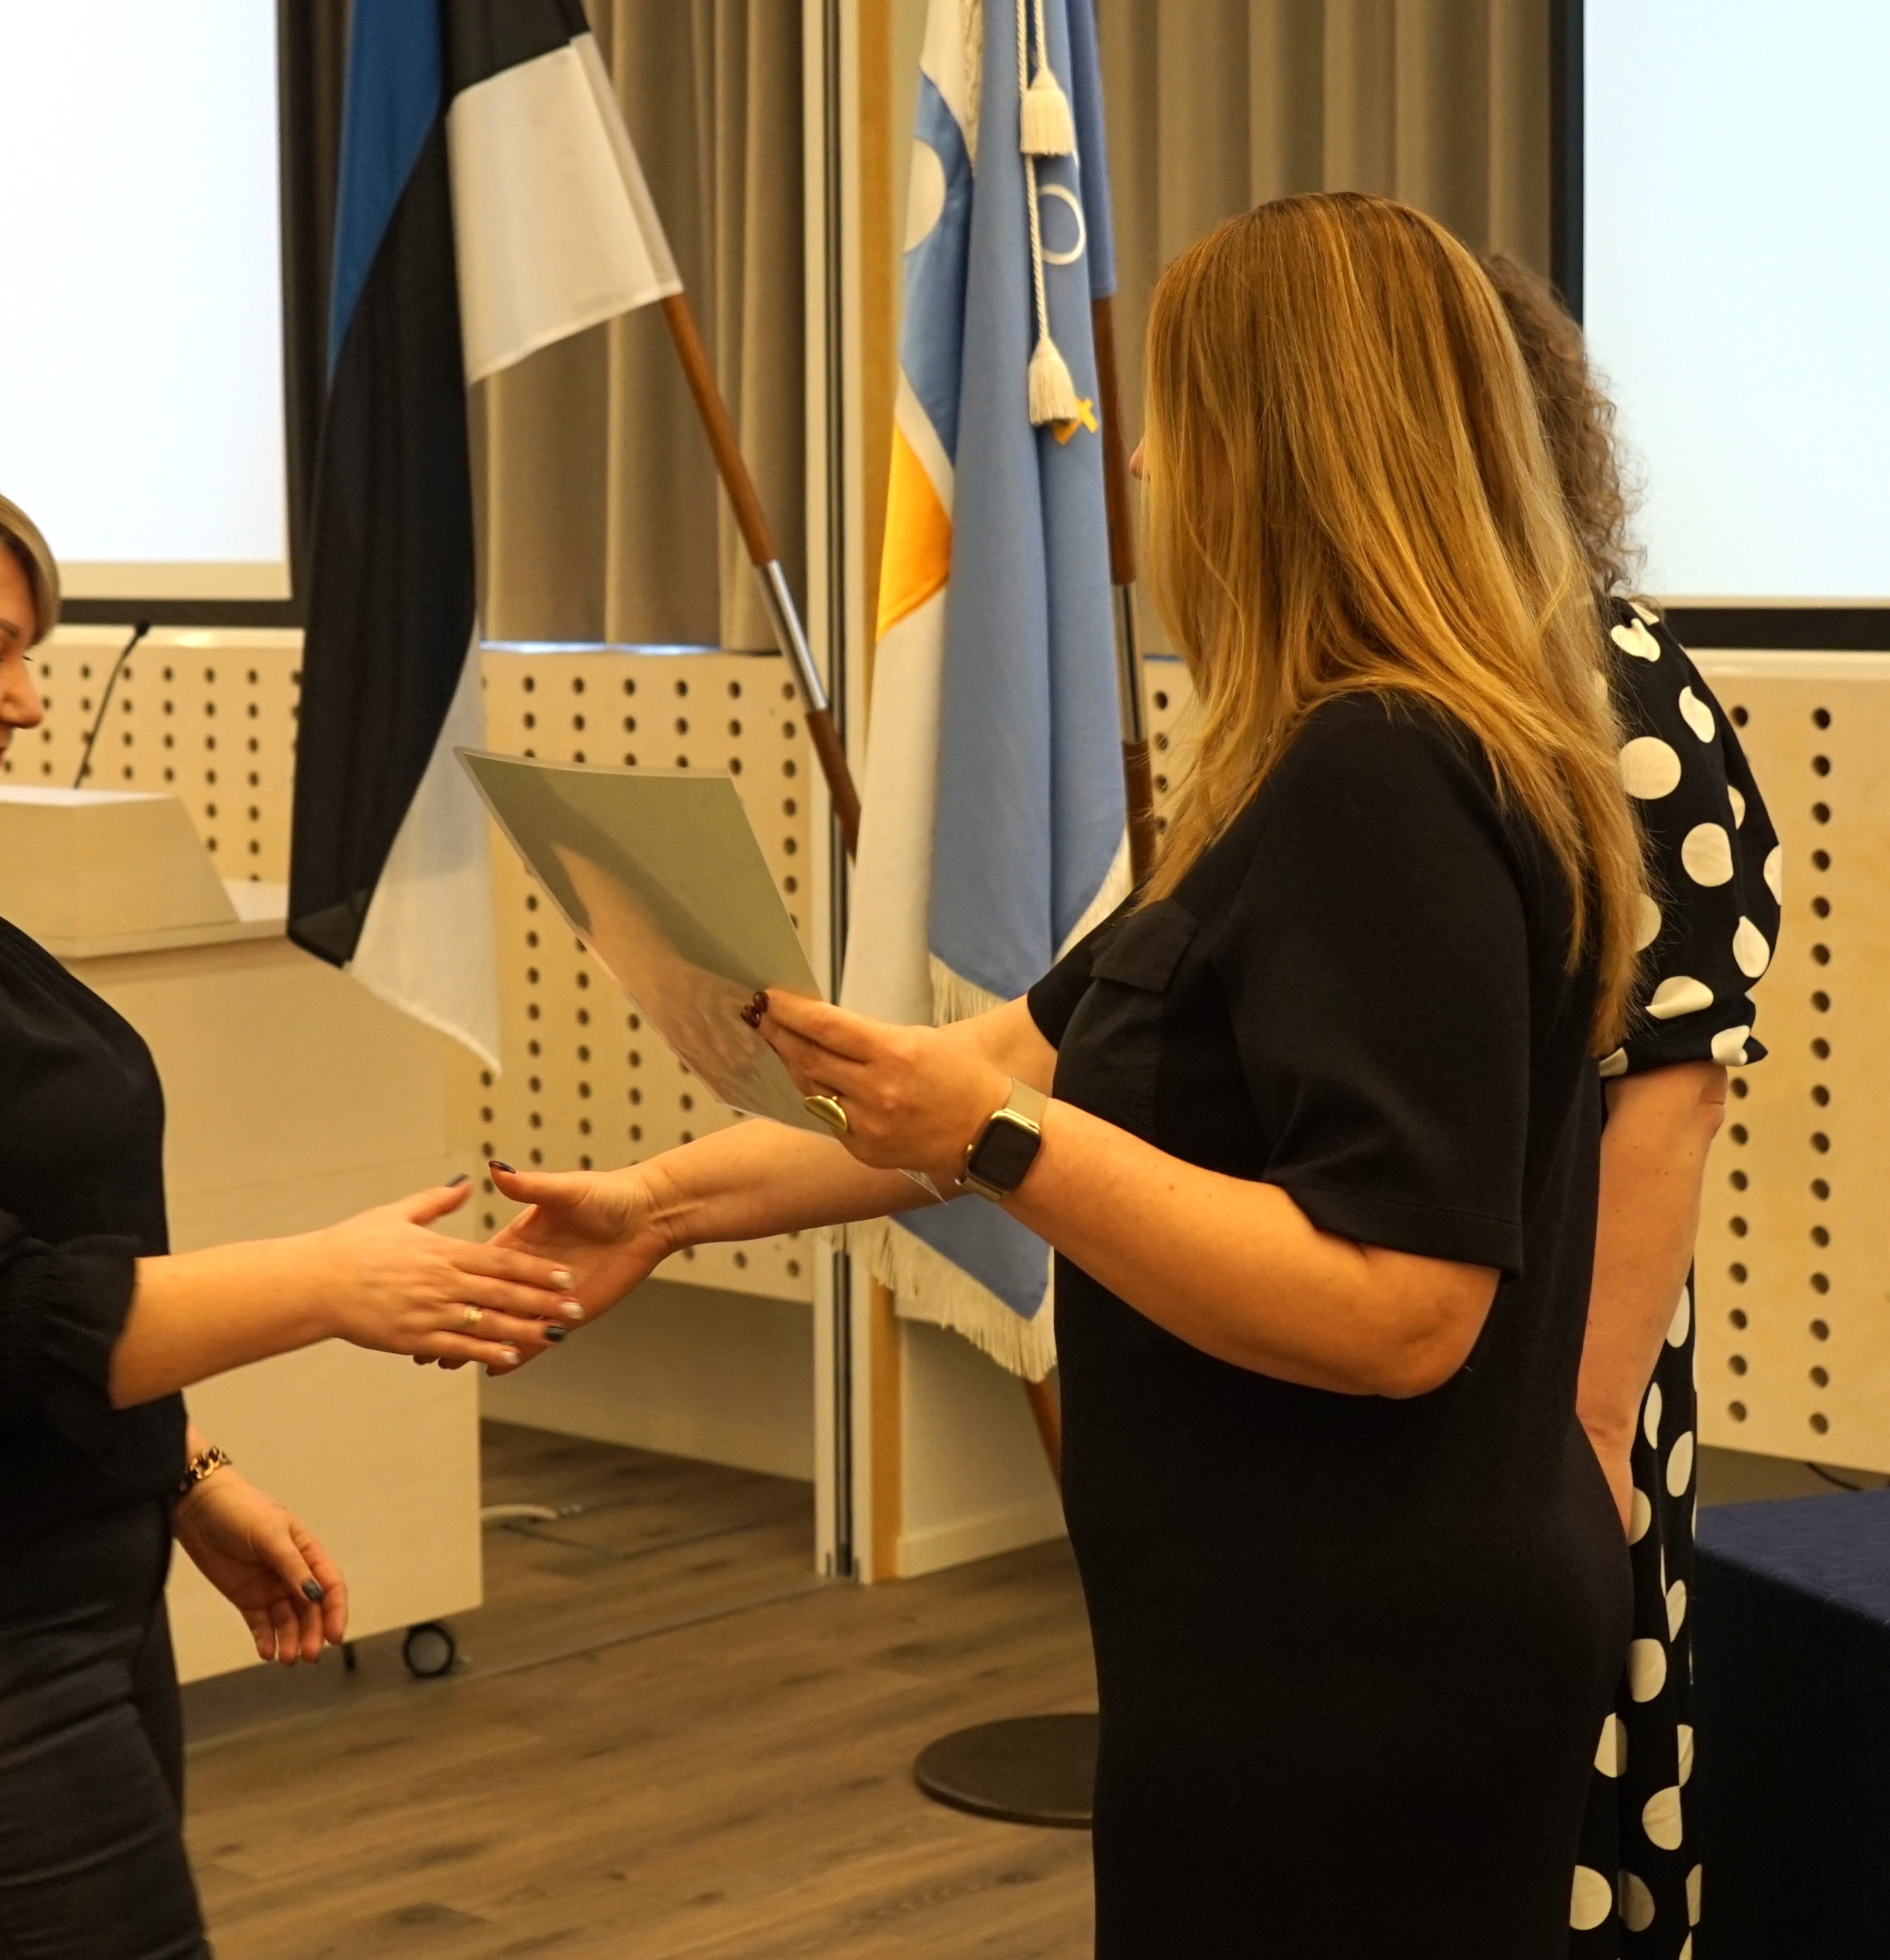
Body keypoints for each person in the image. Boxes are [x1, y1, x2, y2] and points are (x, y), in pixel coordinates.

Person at [490, 193, 1649, 1958]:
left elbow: (1402, 1306)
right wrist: (655, 1204)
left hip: (1361, 1669)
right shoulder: (1320, 766)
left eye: (1181, 421)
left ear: (1285, 451)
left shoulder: (1386, 778)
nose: (1151, 472)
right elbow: (976, 1072)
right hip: (1277, 1641)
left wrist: (1004, 1145)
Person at [0, 430, 585, 1960]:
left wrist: (183, 1475)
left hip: (52, 1595)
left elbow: (32, 1254)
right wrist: (327, 1282)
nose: (27, 700)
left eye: (30, 654)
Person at [1485, 253, 1781, 1956]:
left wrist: (1583, 1448)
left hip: (1550, 1392)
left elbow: (1666, 1093)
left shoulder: (1604, 676)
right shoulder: (1422, 678)